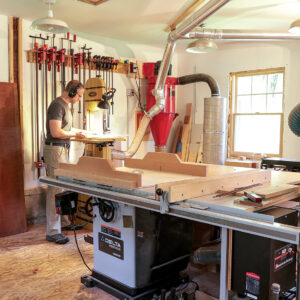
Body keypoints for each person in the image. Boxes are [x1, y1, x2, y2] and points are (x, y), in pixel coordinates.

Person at [43, 80, 86, 244]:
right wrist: (74, 135)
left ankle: (64, 222)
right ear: (72, 92)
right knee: (54, 189)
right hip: (55, 150)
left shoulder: (65, 106)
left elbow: (64, 129)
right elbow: (55, 132)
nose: (80, 99)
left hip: (62, 149)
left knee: (62, 187)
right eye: (80, 95)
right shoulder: (57, 105)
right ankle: (53, 231)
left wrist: (78, 132)